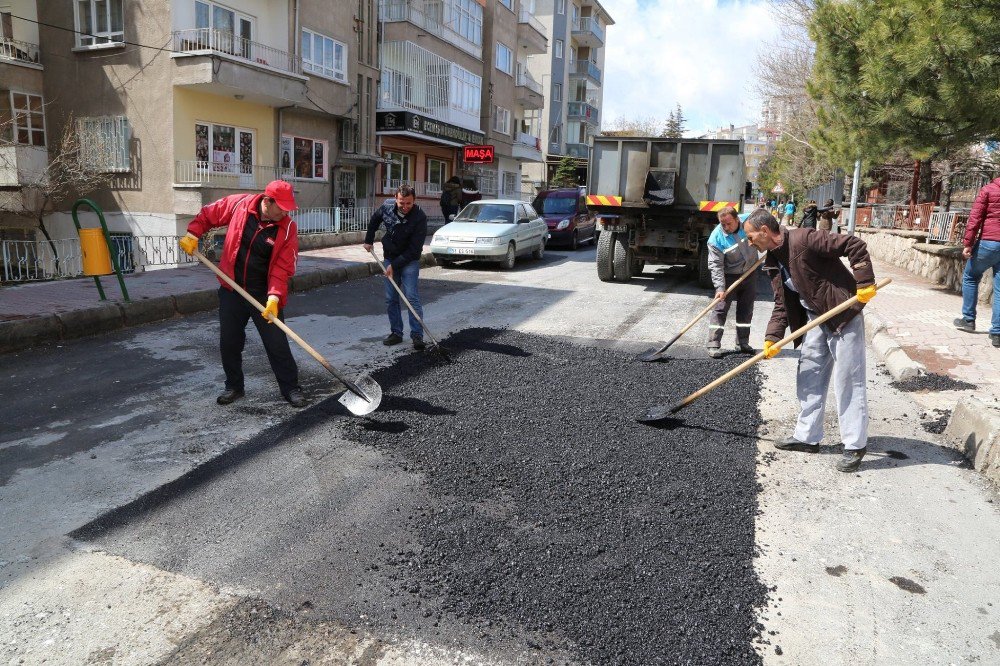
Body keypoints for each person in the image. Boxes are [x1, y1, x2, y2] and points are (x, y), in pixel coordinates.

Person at [742, 208, 878, 473]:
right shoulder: (772, 260)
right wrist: (772, 338)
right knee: (809, 375)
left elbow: (853, 244)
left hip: (842, 315)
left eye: (750, 237)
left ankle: (854, 445)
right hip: (816, 319)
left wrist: (864, 281)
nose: (750, 242)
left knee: (849, 381)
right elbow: (782, 304)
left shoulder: (805, 239)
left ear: (765, 231)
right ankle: (807, 437)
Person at [178, 180, 308, 408]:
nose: (285, 212)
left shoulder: (287, 228)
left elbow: (283, 266)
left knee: (276, 343)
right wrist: (192, 233)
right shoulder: (240, 205)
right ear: (267, 201)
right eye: (282, 207)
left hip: (263, 295)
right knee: (229, 341)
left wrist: (274, 297)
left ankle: (291, 389)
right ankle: (234, 387)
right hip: (232, 289)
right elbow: (209, 214)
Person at [364, 185, 428, 350]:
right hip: (390, 256)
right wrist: (369, 240)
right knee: (391, 298)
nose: (405, 207)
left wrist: (394, 265)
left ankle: (417, 335)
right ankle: (396, 333)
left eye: (409, 203)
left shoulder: (419, 217)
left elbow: (415, 250)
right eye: (402, 203)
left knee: (411, 297)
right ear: (396, 198)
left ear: (414, 201)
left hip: (409, 260)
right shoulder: (386, 207)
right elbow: (374, 221)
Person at [705, 206, 759, 358]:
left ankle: (742, 343)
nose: (726, 227)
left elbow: (765, 220)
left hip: (750, 272)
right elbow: (715, 266)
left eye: (729, 223)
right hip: (729, 276)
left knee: (746, 309)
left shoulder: (749, 221)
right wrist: (720, 288)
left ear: (737, 219)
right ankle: (713, 344)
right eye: (723, 224)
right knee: (720, 309)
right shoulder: (716, 239)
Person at [953, 175, 1000, 347]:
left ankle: (968, 320)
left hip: (988, 243)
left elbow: (975, 218)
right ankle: (997, 333)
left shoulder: (988, 189)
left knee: (971, 276)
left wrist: (968, 244)